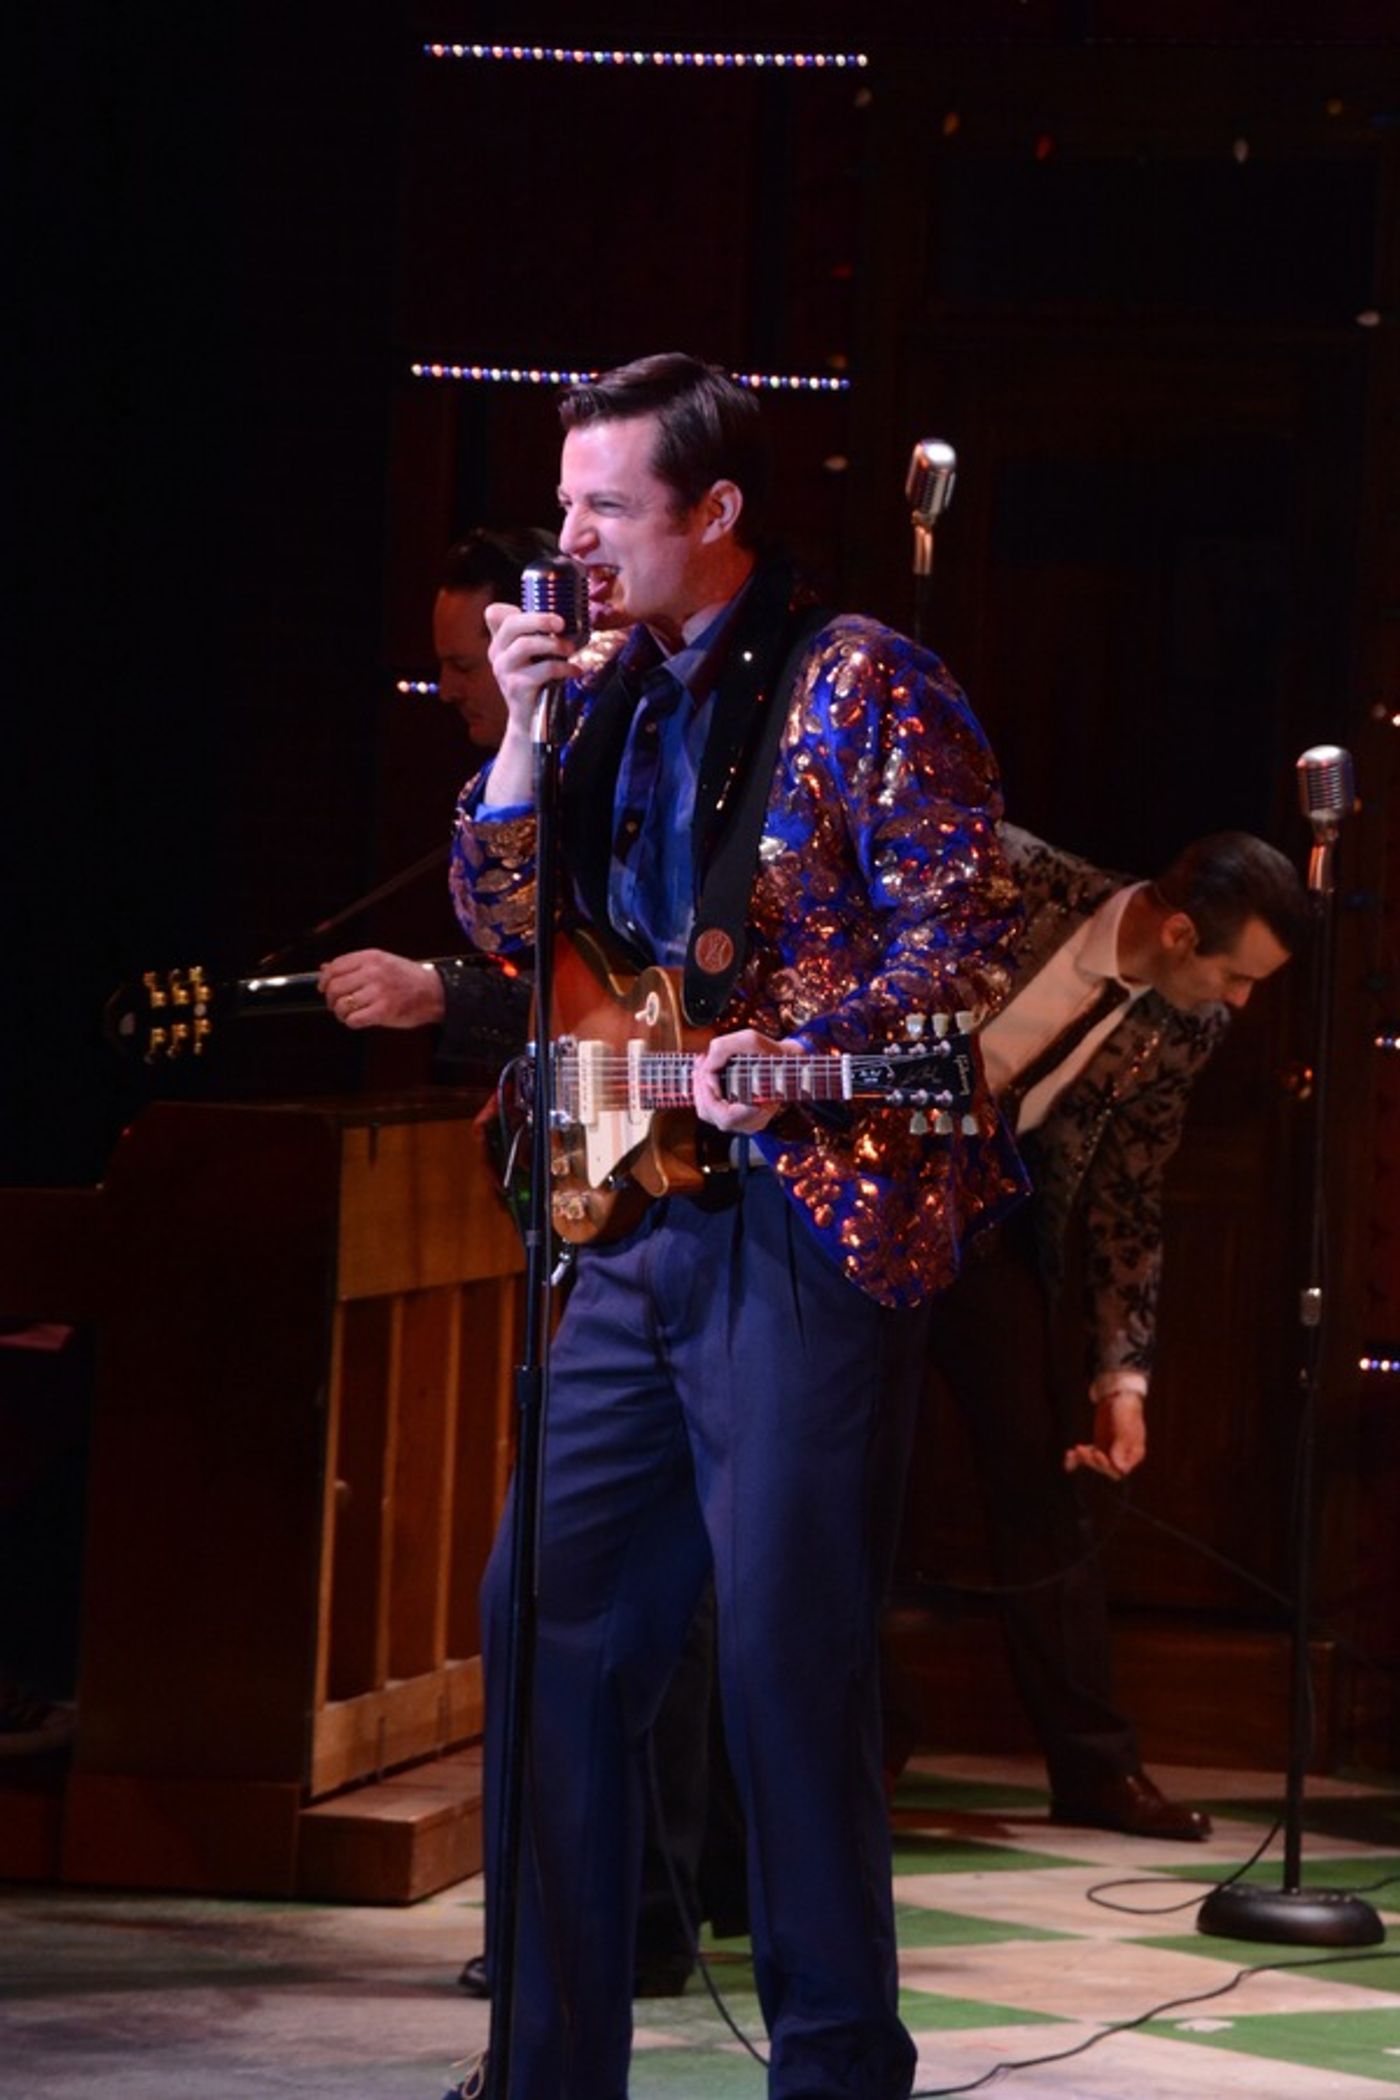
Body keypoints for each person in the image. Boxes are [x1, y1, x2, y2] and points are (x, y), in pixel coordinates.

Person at [450, 352, 1025, 2100]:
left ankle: (834, 2070)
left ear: (716, 510)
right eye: (563, 506)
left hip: (805, 1221)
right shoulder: (605, 693)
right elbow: (507, 927)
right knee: (543, 1622)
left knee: (784, 1665)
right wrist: (522, 733)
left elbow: (968, 940)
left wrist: (807, 1052)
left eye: (607, 508)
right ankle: (548, 2069)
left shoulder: (863, 680)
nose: (572, 543)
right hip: (639, 1224)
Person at [896, 824, 1308, 1839]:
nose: (1240, 1001)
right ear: (1178, 933)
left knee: (1040, 1485)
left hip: (977, 1218)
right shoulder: (1007, 876)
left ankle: (1094, 1769)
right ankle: (848, 1754)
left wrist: (1121, 1382)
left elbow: (1128, 1196)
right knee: (859, 1474)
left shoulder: (1183, 1027)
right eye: (1236, 975)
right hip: (854, 1190)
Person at [316, 528, 553, 1050]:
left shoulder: (612, 763)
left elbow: (616, 990)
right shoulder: (501, 785)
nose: (446, 690)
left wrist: (441, 993)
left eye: (463, 666)